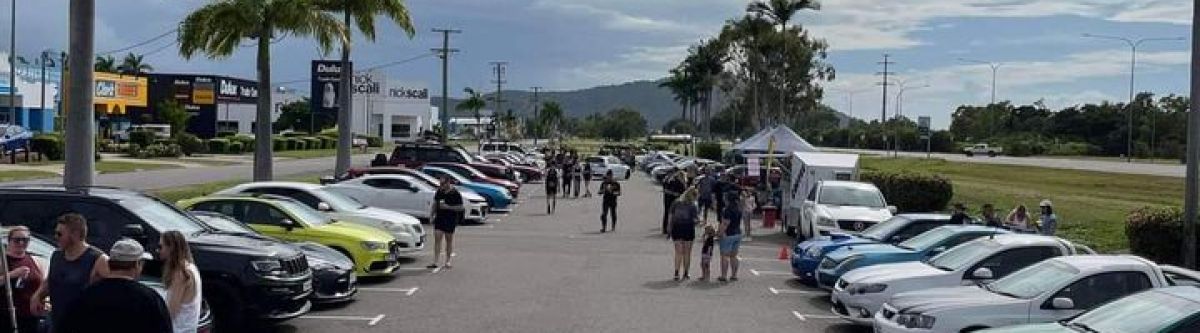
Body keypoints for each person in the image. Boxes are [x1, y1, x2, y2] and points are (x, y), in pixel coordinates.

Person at [57, 239, 172, 333]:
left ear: (109, 263)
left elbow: (65, 327)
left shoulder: (86, 295)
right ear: (137, 264)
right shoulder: (150, 300)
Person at [31, 213, 109, 332]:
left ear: (75, 234)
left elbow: (114, 288)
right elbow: (50, 280)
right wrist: (38, 295)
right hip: (57, 322)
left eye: (60, 234)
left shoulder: (98, 259)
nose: (56, 237)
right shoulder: (57, 255)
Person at [1, 226, 43, 333]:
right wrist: (12, 274)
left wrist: (42, 300)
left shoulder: (34, 260)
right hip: (7, 317)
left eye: (25, 240)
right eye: (17, 240)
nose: (21, 243)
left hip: (31, 317)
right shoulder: (2, 261)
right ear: (9, 241)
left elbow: (42, 285)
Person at [160, 231, 201, 333]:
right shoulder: (191, 268)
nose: (158, 250)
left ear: (171, 248)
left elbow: (171, 311)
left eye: (161, 246)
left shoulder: (181, 273)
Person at [429, 176, 465, 269]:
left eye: (443, 184)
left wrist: (448, 207)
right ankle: (435, 261)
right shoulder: (439, 191)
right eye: (440, 184)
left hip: (450, 219)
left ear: (448, 183)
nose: (441, 186)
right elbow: (434, 203)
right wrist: (431, 215)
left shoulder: (455, 193)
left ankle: (448, 261)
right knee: (437, 239)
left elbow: (461, 207)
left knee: (449, 240)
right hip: (439, 218)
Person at [667, 189, 700, 281]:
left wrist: (669, 228)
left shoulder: (676, 203)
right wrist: (698, 222)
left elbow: (670, 216)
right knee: (687, 253)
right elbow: (696, 219)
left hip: (677, 228)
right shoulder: (693, 206)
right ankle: (686, 273)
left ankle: (676, 272)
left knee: (678, 252)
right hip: (688, 228)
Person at [718, 191, 744, 282]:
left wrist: (720, 233)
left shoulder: (727, 210)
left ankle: (724, 276)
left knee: (725, 255)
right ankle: (734, 275)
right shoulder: (739, 209)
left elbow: (725, 223)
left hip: (728, 234)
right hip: (737, 233)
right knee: (734, 255)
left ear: (728, 199)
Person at [661, 171, 688, 235]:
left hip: (669, 200)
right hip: (673, 201)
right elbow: (682, 193)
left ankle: (666, 229)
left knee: (667, 214)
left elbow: (665, 189)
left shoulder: (671, 181)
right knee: (672, 215)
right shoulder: (677, 182)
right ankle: (670, 229)